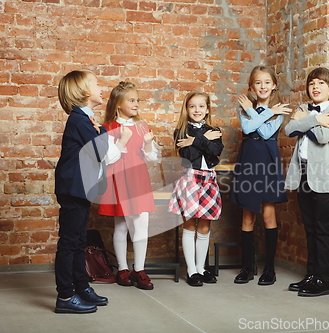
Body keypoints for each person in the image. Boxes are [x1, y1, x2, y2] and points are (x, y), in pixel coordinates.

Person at [285, 67, 329, 297]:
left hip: (323, 179)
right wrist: (316, 119)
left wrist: (309, 121)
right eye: (311, 84)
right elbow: (289, 129)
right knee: (310, 229)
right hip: (302, 177)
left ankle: (324, 281)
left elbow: (322, 137)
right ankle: (311, 275)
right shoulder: (304, 109)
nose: (315, 87)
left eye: (320, 83)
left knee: (323, 230)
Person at [229, 65, 292, 285]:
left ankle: (270, 270)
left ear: (273, 85)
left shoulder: (279, 108)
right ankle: (246, 267)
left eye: (267, 82)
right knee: (248, 216)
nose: (262, 86)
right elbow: (248, 130)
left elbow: (265, 132)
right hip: (249, 160)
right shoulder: (245, 106)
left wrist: (268, 112)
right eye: (258, 83)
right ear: (252, 86)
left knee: (268, 215)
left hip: (267, 160)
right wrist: (264, 113)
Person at [54, 70, 109, 314]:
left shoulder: (85, 120)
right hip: (73, 189)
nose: (101, 88)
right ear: (85, 92)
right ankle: (65, 296)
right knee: (69, 243)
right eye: (97, 84)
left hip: (80, 189)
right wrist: (105, 131)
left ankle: (81, 287)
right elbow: (100, 152)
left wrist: (99, 131)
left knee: (78, 241)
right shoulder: (79, 120)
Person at [98, 81, 161, 290]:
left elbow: (151, 157)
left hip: (138, 178)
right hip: (118, 178)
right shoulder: (107, 127)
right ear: (118, 104)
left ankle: (139, 269)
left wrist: (149, 142)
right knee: (121, 225)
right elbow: (107, 159)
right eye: (131, 100)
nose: (136, 104)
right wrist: (122, 140)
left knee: (141, 223)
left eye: (137, 100)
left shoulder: (142, 126)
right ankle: (123, 268)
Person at [168, 92, 224, 287]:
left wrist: (196, 140)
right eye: (192, 106)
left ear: (207, 110)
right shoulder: (181, 132)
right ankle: (192, 271)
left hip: (209, 180)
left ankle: (201, 268)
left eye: (201, 106)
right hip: (190, 179)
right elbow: (189, 155)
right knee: (190, 224)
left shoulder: (214, 130)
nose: (197, 110)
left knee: (205, 226)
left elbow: (215, 152)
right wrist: (202, 139)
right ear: (186, 109)